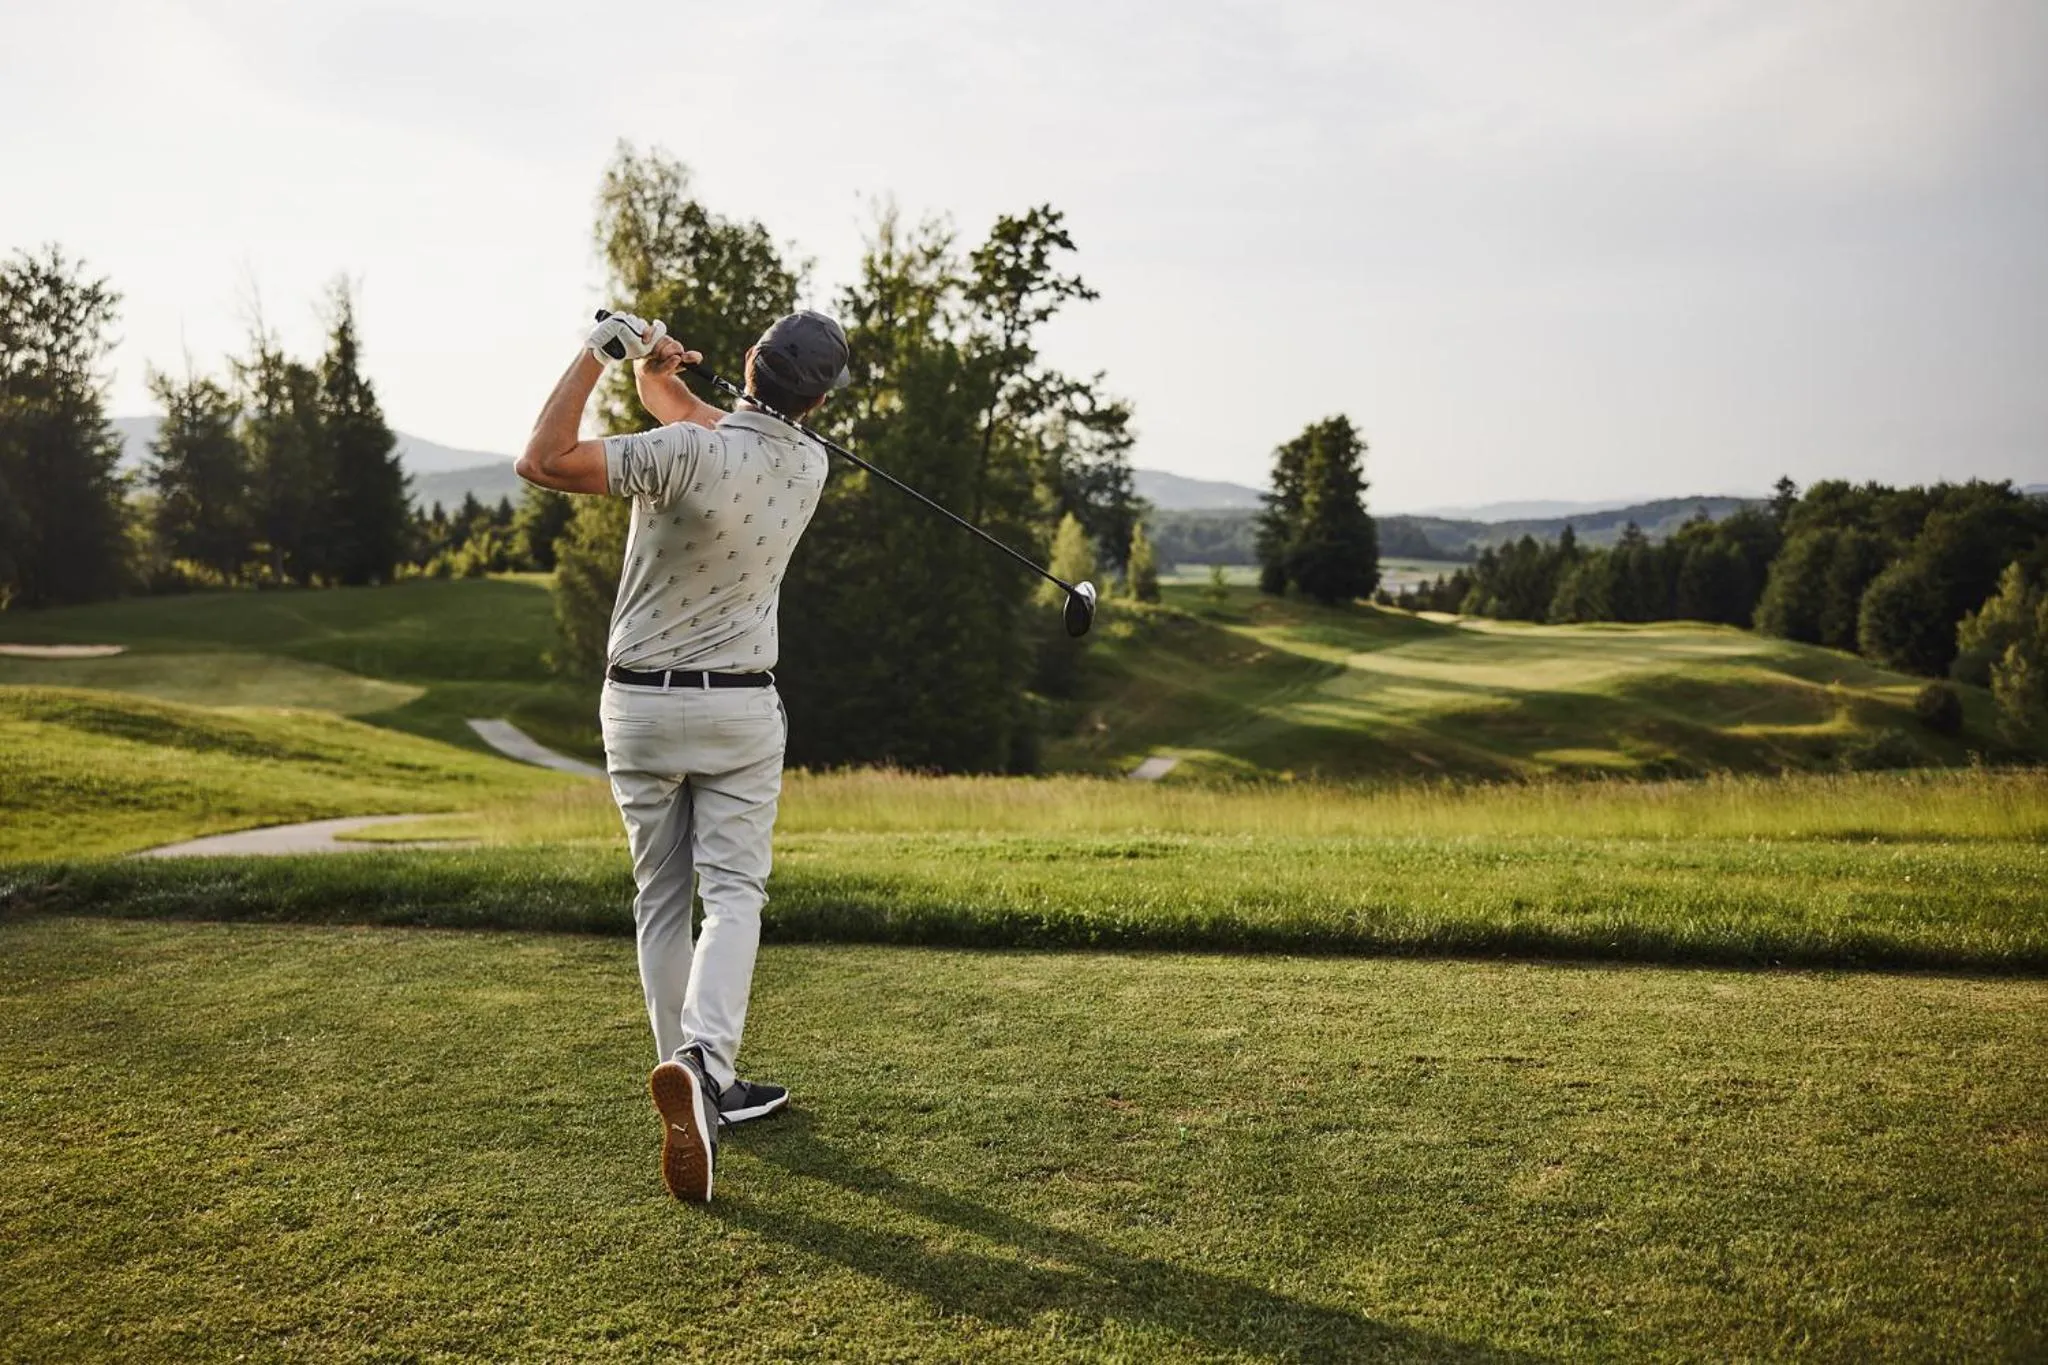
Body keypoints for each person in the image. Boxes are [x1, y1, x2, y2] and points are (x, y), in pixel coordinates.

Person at [516, 307, 850, 1203]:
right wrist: (656, 367)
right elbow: (694, 414)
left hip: (640, 706)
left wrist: (602, 350)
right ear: (818, 398)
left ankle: (693, 1078)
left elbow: (542, 460)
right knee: (735, 892)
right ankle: (706, 1073)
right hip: (742, 709)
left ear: (750, 360)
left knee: (663, 896)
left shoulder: (682, 456)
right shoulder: (808, 463)